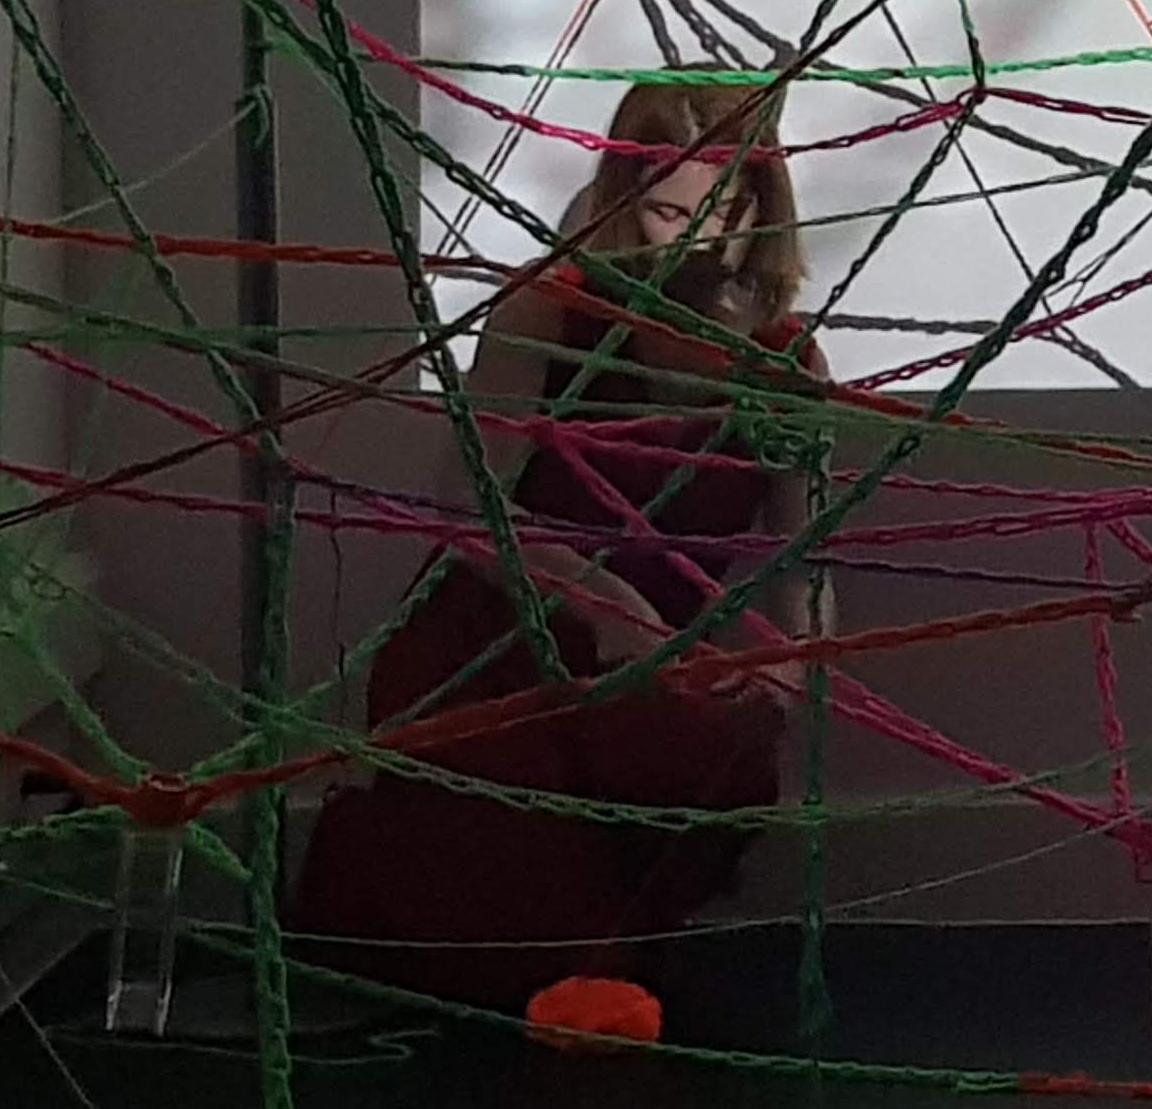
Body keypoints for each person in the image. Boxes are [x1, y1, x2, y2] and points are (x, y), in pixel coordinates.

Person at [291, 75, 828, 1011]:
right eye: (669, 211)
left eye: (728, 209)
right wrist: (599, 599)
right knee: (521, 900)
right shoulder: (548, 309)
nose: (700, 238)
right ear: (625, 201)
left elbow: (802, 554)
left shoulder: (786, 358)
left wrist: (794, 661)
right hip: (496, 647)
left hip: (656, 666)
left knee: (712, 758)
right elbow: (466, 513)